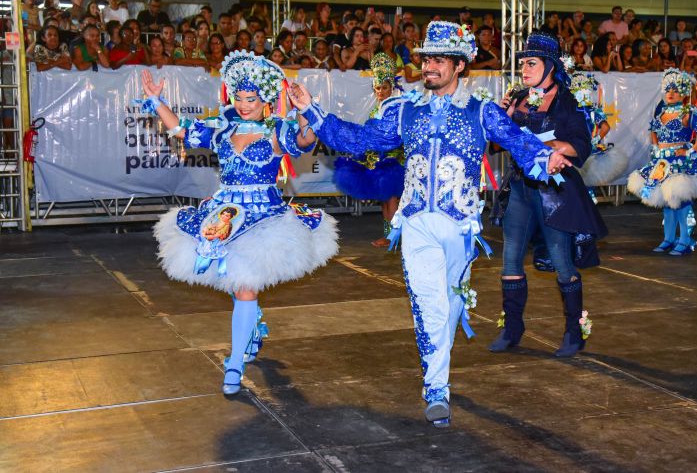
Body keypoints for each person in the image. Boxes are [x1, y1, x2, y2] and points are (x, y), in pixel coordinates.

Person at [288, 22, 571, 427]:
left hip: (460, 226)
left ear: (460, 66)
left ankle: (440, 362)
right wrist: (311, 112)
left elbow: (516, 140)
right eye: (425, 59)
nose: (428, 66)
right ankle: (436, 388)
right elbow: (362, 140)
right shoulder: (405, 110)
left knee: (452, 304)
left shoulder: (481, 111)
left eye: (438, 60)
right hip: (416, 220)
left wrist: (546, 159)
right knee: (429, 304)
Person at [145, 50, 338, 395]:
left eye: (251, 98)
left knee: (245, 285)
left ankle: (234, 363)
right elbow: (180, 130)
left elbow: (307, 139)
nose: (244, 104)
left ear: (265, 99)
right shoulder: (223, 127)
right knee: (237, 284)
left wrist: (305, 111)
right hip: (225, 215)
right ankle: (253, 328)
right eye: (239, 97)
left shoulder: (277, 129)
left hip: (263, 216)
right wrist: (156, 100)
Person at [489, 32, 607, 358]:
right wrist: (501, 120)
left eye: (531, 63)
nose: (524, 70)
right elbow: (496, 144)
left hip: (555, 194)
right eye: (523, 64)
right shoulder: (519, 99)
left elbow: (582, 146)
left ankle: (574, 332)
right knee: (510, 258)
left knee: (561, 262)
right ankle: (512, 328)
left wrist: (552, 148)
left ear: (550, 66)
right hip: (521, 190)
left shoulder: (569, 102)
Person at [628, 69, 697, 255]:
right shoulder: (662, 112)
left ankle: (686, 240)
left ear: (683, 92)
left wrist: (691, 151)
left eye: (675, 90)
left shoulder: (689, 113)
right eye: (668, 90)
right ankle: (668, 239)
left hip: (681, 163)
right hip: (662, 163)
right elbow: (653, 131)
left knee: (680, 201)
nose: (671, 93)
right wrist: (656, 147)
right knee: (667, 202)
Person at [332, 53, 405, 247]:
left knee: (390, 198)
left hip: (392, 158)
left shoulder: (397, 107)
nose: (380, 91)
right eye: (377, 88)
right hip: (377, 158)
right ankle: (390, 235)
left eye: (384, 88)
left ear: (392, 87)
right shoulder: (376, 109)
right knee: (384, 198)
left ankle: (394, 237)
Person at [570, 72, 629, 188]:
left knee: (577, 185)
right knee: (583, 186)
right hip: (581, 150)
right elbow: (605, 127)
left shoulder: (576, 111)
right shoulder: (591, 110)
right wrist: (594, 141)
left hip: (577, 151)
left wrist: (593, 141)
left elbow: (605, 128)